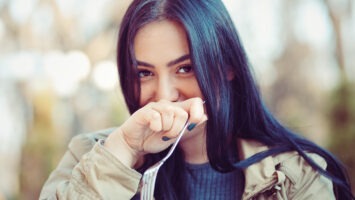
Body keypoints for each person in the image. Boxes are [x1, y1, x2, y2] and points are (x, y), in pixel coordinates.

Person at [40, 0, 353, 199]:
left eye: (185, 68)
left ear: (227, 65)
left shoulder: (296, 175)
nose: (164, 96)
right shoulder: (89, 156)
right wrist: (124, 151)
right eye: (145, 73)